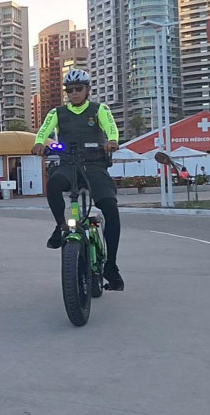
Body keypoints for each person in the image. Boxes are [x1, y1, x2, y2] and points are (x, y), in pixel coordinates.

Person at [31, 69, 124, 291]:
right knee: (53, 183)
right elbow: (44, 130)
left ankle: (111, 266)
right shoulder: (57, 112)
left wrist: (112, 140)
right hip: (68, 164)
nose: (74, 94)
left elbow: (111, 127)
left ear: (87, 90)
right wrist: (39, 142)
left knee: (110, 207)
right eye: (70, 90)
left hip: (94, 165)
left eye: (78, 89)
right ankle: (59, 226)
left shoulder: (99, 109)